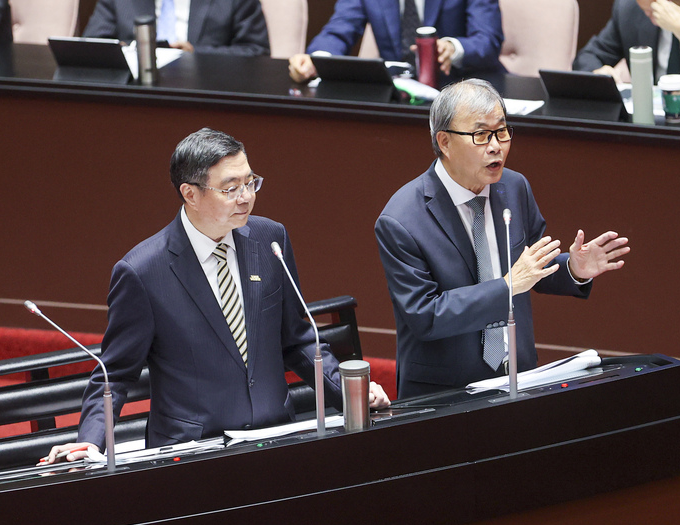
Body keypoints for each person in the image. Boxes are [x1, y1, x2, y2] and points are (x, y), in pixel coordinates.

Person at [42, 128, 389, 464]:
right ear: (190, 194)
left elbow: (297, 339)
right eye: (230, 188)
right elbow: (114, 373)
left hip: (277, 440)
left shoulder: (271, 240)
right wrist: (89, 441)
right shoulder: (143, 272)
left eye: (250, 182)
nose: (246, 196)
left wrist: (351, 391)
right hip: (194, 453)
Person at [375, 79, 630, 400]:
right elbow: (425, 316)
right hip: (445, 392)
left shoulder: (514, 187)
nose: (496, 146)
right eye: (481, 135)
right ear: (444, 142)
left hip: (518, 377)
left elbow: (532, 269)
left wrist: (572, 269)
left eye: (502, 132)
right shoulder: (401, 220)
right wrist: (507, 287)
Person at [288, 0, 504, 83]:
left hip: (467, 86)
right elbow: (339, 29)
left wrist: (453, 48)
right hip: (403, 93)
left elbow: (488, 39)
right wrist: (316, 60)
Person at [83, 0, 269, 56]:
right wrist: (129, 52)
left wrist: (195, 53)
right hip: (131, 97)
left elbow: (255, 52)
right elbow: (92, 46)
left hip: (206, 99)